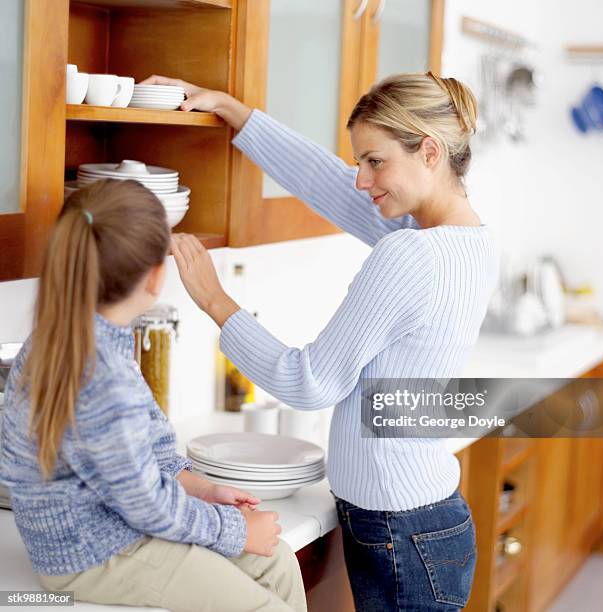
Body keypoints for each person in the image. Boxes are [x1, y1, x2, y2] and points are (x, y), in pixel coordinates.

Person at [143, 71, 499, 611]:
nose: (361, 179)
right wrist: (234, 112)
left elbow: (308, 382)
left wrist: (214, 299)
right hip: (426, 521)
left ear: (429, 151)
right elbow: (328, 183)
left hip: (400, 532)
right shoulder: (466, 241)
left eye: (375, 161)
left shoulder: (411, 254)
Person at [0, 180, 306, 612]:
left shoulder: (91, 338)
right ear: (157, 275)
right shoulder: (102, 373)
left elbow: (147, 450)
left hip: (110, 526)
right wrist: (235, 530)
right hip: (93, 552)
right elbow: (147, 506)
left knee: (276, 559)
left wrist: (199, 488)